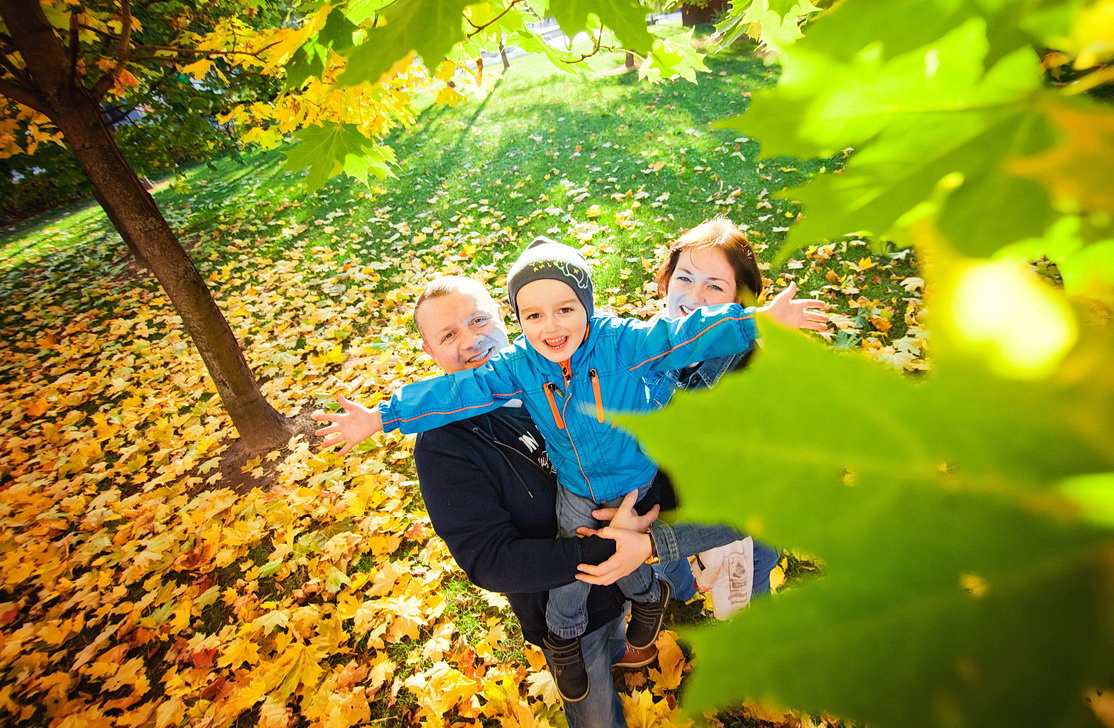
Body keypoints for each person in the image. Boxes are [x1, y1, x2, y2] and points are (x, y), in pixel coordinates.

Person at [315, 237, 825, 702]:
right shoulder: (517, 366)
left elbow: (683, 333)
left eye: (565, 309)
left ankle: (658, 599)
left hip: (637, 478)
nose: (552, 326)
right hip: (580, 489)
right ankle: (563, 637)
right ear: (517, 320)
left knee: (640, 554)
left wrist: (757, 322)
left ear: (588, 306)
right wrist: (381, 417)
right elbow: (456, 392)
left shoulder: (622, 342)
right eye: (533, 315)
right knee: (579, 571)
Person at [646, 218, 825, 614]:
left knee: (746, 593)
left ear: (740, 304)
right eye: (684, 278)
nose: (694, 296)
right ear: (666, 281)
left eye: (714, 286)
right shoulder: (643, 347)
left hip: (737, 521)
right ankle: (677, 594)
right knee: (673, 582)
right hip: (665, 511)